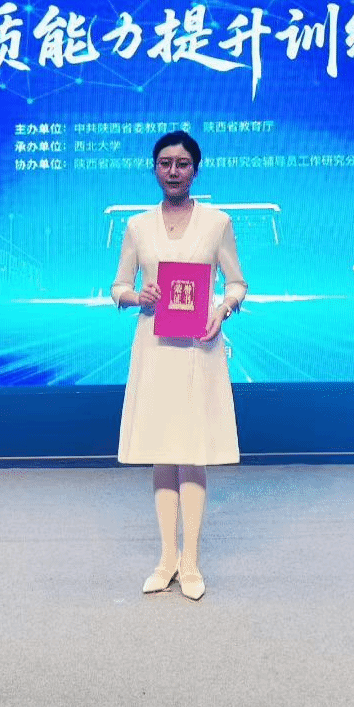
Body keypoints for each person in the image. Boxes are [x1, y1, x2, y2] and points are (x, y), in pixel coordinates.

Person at [110, 130, 246, 601]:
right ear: (154, 168)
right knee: (162, 450)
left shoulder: (217, 223)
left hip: (198, 347)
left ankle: (191, 562)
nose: (173, 171)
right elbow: (117, 287)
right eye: (165, 163)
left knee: (191, 450)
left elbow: (237, 282)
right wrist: (137, 296)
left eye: (182, 163)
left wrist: (222, 309)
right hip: (155, 346)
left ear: (195, 170)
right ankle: (167, 557)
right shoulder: (137, 226)